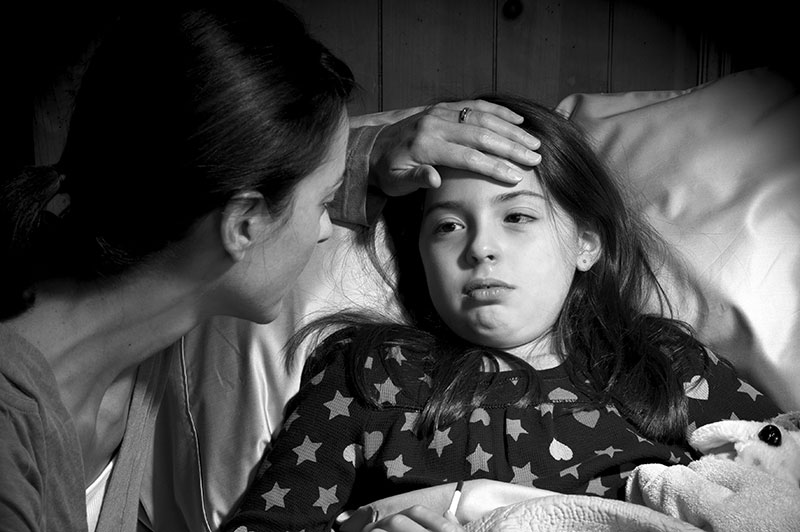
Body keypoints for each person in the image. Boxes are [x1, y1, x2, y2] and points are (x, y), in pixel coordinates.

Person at [0, 3, 542, 532]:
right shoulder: (11, 437)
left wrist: (370, 155)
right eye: (324, 202)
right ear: (243, 224)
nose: (330, 227)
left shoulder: (131, 303)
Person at [222, 94, 783, 532]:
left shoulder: (664, 363)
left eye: (517, 217)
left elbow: (780, 471)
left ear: (586, 242)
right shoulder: (368, 373)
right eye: (448, 226)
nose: (481, 248)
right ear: (419, 254)